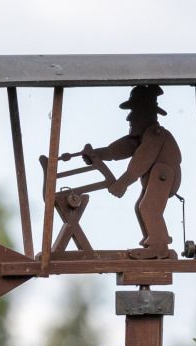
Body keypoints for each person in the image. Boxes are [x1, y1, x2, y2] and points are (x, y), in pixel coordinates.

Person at [70, 84, 182, 259]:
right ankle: (152, 243)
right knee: (141, 207)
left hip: (164, 175)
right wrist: (98, 154)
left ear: (144, 113)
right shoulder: (141, 136)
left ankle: (159, 248)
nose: (129, 118)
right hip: (157, 176)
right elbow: (121, 148)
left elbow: (141, 161)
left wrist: (123, 183)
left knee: (148, 206)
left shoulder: (155, 134)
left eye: (134, 112)